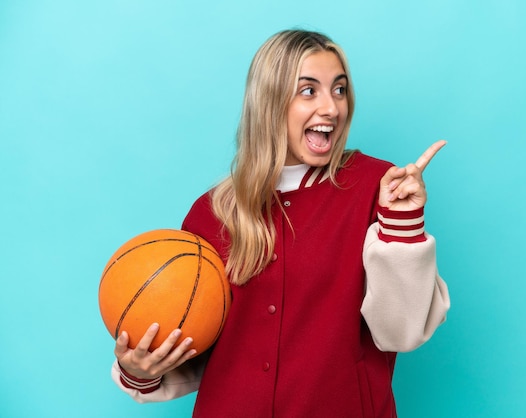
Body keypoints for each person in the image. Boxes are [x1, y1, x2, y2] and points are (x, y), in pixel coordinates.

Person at [110, 29, 450, 417]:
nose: (332, 108)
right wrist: (139, 369)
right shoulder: (213, 211)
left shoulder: (377, 187)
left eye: (339, 90)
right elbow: (196, 342)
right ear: (269, 101)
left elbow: (402, 331)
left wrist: (402, 224)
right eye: (309, 91)